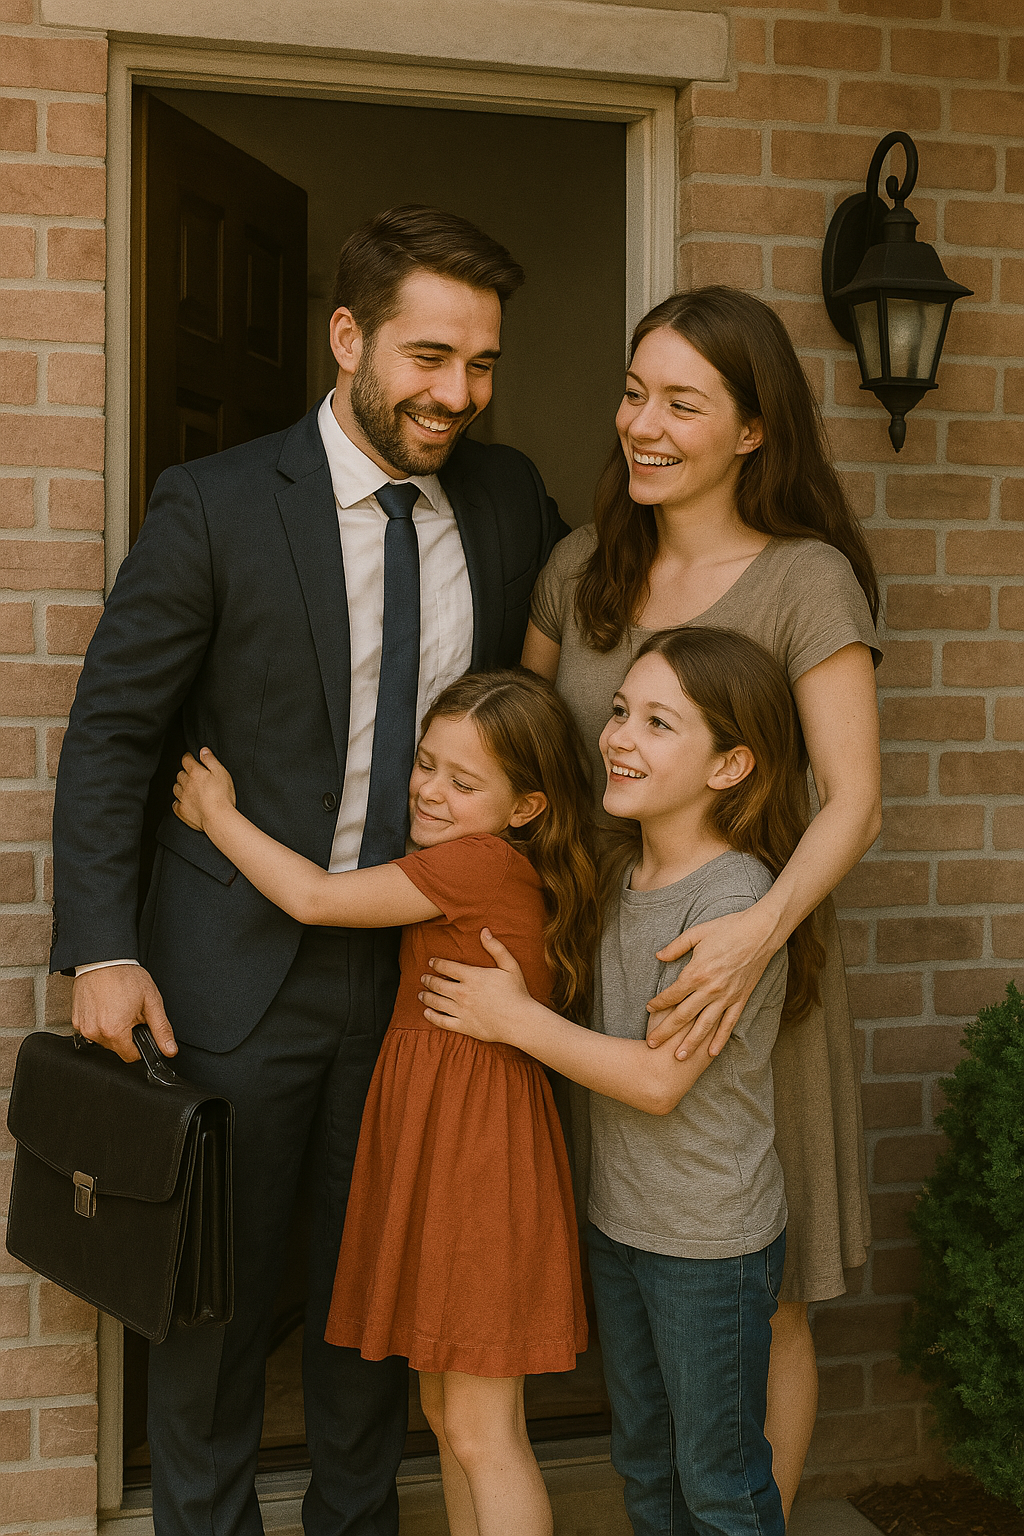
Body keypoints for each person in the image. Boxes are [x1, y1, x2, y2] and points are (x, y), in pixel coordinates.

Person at [49, 205, 567, 1536]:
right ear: (348, 338)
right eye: (430, 357)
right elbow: (114, 731)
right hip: (231, 984)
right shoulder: (217, 505)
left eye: (484, 364)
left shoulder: (508, 505)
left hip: (423, 986)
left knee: (372, 1311)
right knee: (212, 1318)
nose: (458, 394)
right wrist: (101, 948)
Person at [521, 286, 883, 1515]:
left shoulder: (802, 579)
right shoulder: (579, 568)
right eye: (634, 393)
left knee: (760, 1299)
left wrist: (750, 937)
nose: (645, 424)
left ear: (752, 430)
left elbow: (853, 799)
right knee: (629, 1259)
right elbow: (527, 764)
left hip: (756, 984)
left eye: (684, 402)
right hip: (604, 981)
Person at [171, 668, 599, 1536]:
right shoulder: (483, 857)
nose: (431, 792)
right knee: (449, 1417)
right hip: (450, 1142)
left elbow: (316, 900)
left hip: (476, 1155)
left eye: (464, 781)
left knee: (483, 1429)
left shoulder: (476, 863)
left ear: (526, 807)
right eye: (426, 765)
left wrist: (217, 814)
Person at [419, 627, 822, 1536]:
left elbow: (655, 1082)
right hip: (621, 1222)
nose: (619, 737)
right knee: (644, 1466)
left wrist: (515, 1019)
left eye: (658, 723)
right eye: (618, 712)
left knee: (720, 1482)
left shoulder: (730, 905)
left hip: (707, 1243)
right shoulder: (620, 869)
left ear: (731, 766)